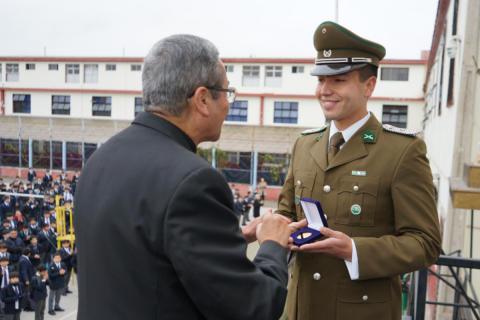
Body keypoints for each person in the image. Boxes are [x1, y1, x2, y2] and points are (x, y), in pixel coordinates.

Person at [75, 34, 292, 320]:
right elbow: (254, 307)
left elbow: (146, 255)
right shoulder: (194, 180)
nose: (229, 104)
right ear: (203, 99)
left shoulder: (102, 158)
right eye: (227, 92)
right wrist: (273, 246)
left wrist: (224, 241)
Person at [275, 21, 442, 320]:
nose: (324, 90)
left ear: (369, 86)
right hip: (300, 309)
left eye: (338, 80)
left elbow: (425, 243)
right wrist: (280, 230)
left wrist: (354, 250)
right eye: (320, 80)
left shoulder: (402, 151)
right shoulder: (304, 144)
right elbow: (287, 213)